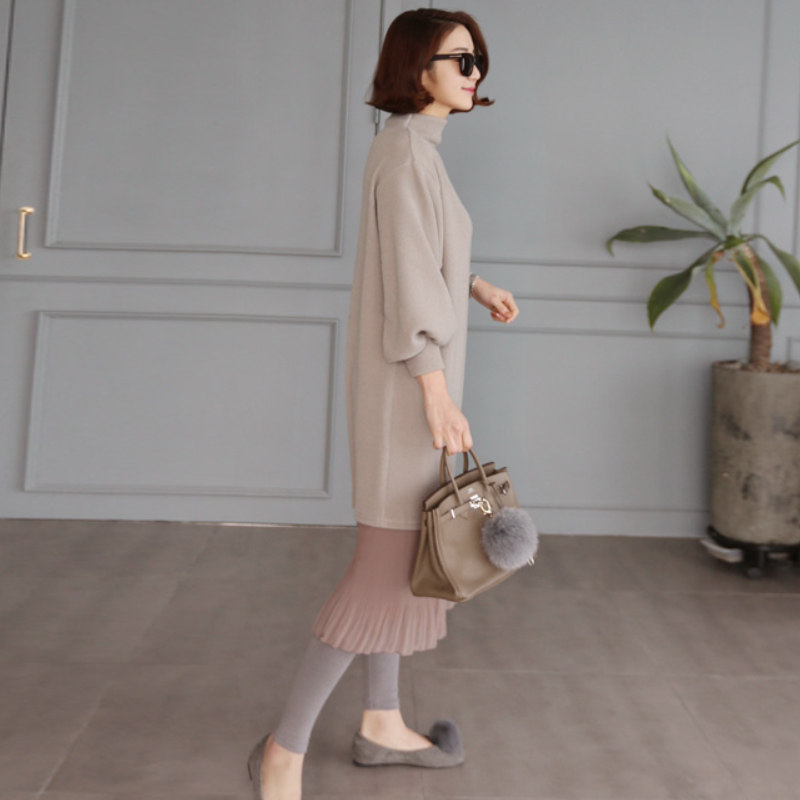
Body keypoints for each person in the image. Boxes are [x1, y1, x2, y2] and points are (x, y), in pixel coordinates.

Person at [247, 9, 519, 799]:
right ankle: (284, 749)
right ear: (415, 67)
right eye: (458, 59)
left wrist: (474, 284)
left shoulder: (413, 149)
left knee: (403, 567)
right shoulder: (403, 153)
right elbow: (407, 280)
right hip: (407, 389)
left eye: (476, 59)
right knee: (381, 576)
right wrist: (436, 392)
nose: (473, 72)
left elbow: (418, 253)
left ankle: (381, 723)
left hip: (410, 382)